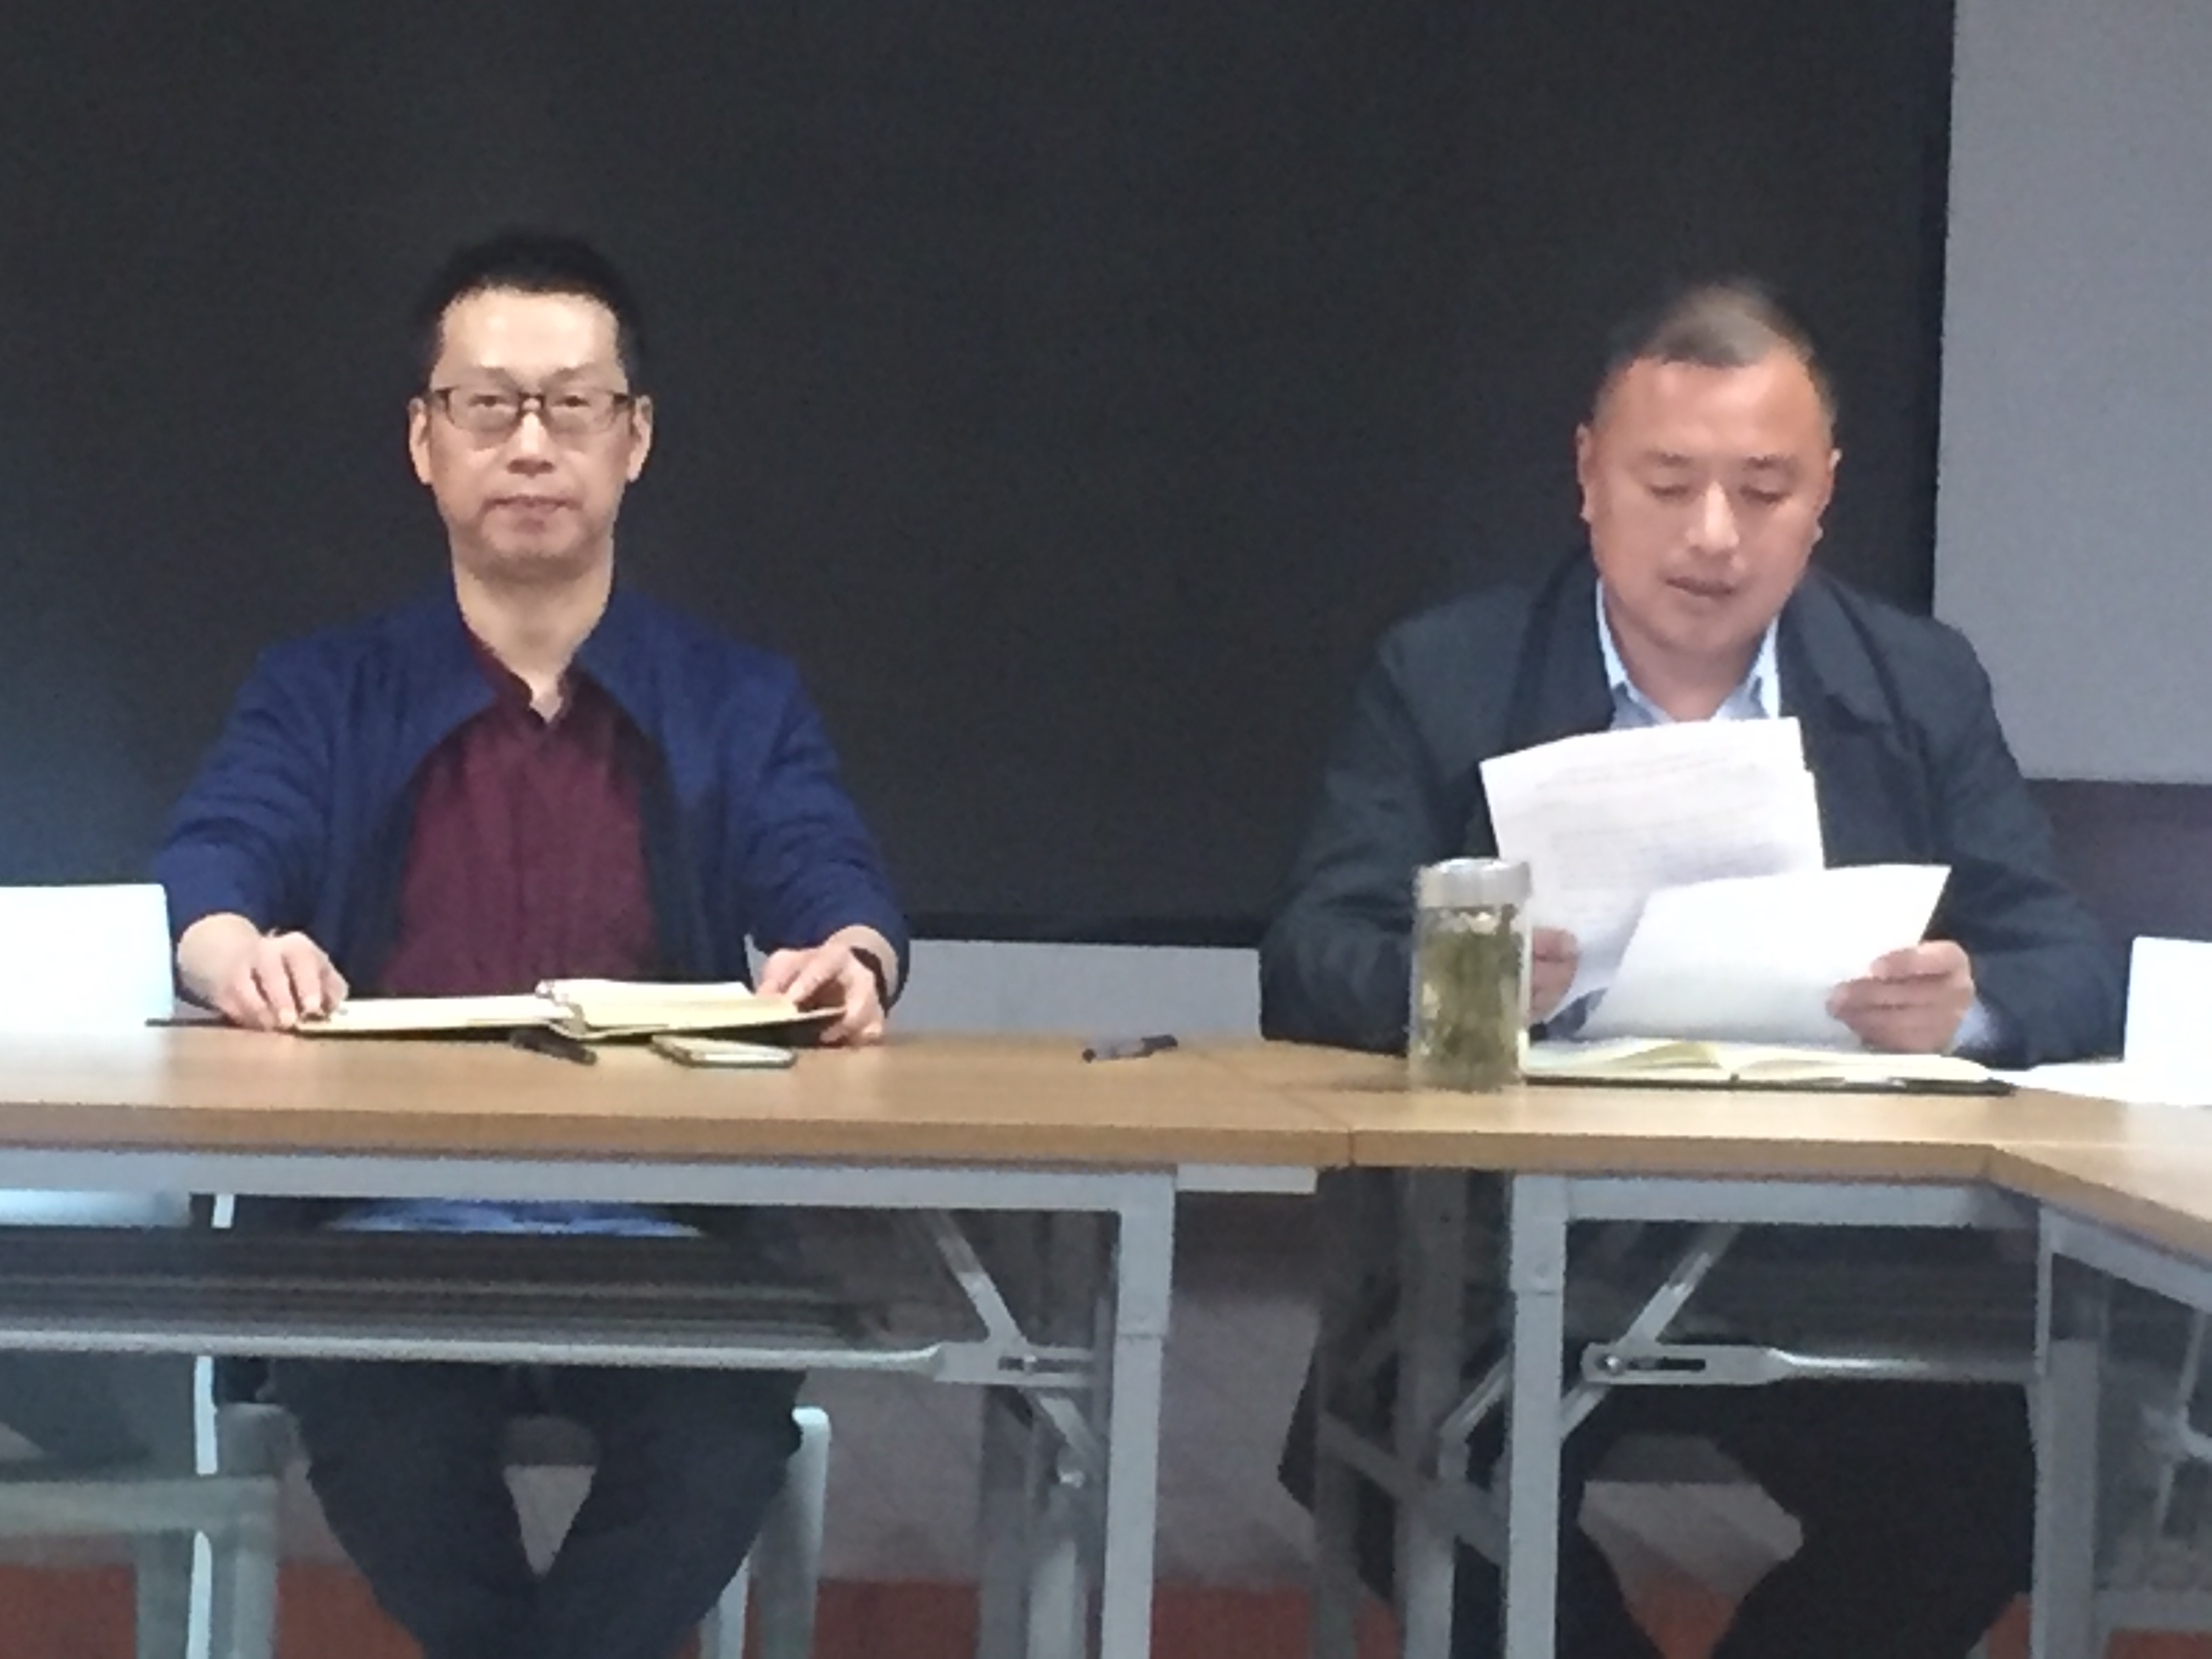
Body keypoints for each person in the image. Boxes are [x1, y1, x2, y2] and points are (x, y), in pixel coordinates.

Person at [1263, 281, 2123, 1657]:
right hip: (1507, 1250)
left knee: (1981, 1500)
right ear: (1589, 478)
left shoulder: (1916, 683)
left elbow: (2070, 961)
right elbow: (1310, 953)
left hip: (1832, 1250)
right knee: (1389, 1460)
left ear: (1824, 494)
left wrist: (1972, 1007)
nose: (1715, 535)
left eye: (1763, 490)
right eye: (1669, 486)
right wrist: (1461, 981)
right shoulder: (1449, 672)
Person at [157, 229, 907, 1659]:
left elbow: (831, 870)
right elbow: (218, 856)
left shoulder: (735, 697)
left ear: (635, 439)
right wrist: (231, 945)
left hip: (669, 1224)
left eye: (572, 405)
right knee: (381, 1425)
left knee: (722, 1430)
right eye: (487, 405)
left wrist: (849, 957)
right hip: (384, 1226)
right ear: (423, 441)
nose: (530, 446)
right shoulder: (322, 689)